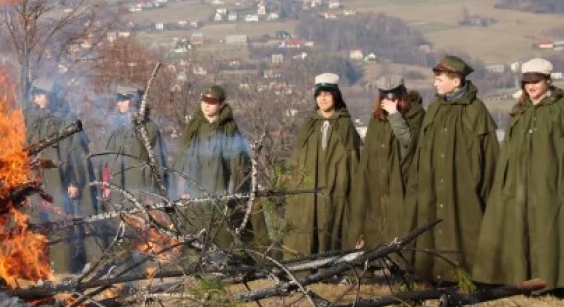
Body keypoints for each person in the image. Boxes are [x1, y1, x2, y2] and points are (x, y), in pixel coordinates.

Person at [475, 59, 564, 293]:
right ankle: (519, 280)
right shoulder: (519, 111)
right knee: (519, 230)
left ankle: (558, 281)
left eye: (536, 81)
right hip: (519, 185)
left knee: (551, 230)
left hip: (550, 184)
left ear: (547, 81)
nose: (531, 86)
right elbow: (510, 150)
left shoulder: (561, 109)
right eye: (526, 81)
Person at [412, 56, 499, 283]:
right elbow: (423, 148)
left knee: (466, 227)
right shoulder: (434, 109)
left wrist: (482, 185)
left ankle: (469, 275)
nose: (435, 83)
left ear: (456, 80)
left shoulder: (476, 111)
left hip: (464, 184)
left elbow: (489, 154)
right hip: (433, 182)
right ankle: (435, 273)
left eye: (440, 79)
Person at [174, 85, 266, 249]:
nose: (206, 105)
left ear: (221, 104)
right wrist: (181, 188)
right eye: (204, 100)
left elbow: (239, 163)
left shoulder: (229, 128)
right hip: (194, 190)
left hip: (220, 190)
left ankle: (225, 268)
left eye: (211, 101)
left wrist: (235, 191)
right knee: (194, 237)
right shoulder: (194, 126)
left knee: (222, 236)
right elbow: (181, 158)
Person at [24, 78, 97, 275]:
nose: (36, 99)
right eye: (35, 95)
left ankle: (64, 272)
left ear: (51, 96)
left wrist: (74, 181)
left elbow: (76, 153)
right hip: (35, 181)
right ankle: (38, 271)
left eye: (40, 95)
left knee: (60, 224)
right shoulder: (33, 119)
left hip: (59, 179)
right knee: (36, 224)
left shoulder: (66, 119)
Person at [283, 73, 361, 256]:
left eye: (327, 94)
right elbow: (298, 157)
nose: (323, 99)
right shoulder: (309, 124)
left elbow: (353, 160)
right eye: (319, 95)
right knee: (308, 226)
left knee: (333, 224)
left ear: (336, 96)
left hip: (336, 188)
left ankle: (333, 266)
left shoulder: (345, 125)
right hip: (309, 190)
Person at [349, 75, 425, 249]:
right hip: (377, 179)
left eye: (395, 97)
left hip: (402, 179)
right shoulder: (376, 117)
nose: (390, 101)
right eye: (386, 97)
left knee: (399, 224)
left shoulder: (416, 114)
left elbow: (409, 141)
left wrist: (395, 114)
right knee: (375, 223)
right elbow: (369, 150)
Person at [97, 84, 170, 254]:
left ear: (133, 101)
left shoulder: (149, 128)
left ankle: (146, 266)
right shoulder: (114, 128)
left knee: (141, 227)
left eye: (123, 100)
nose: (118, 104)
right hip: (117, 189)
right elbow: (107, 159)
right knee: (119, 227)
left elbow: (160, 161)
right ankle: (121, 264)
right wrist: (106, 184)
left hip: (140, 188)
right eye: (118, 100)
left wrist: (153, 192)